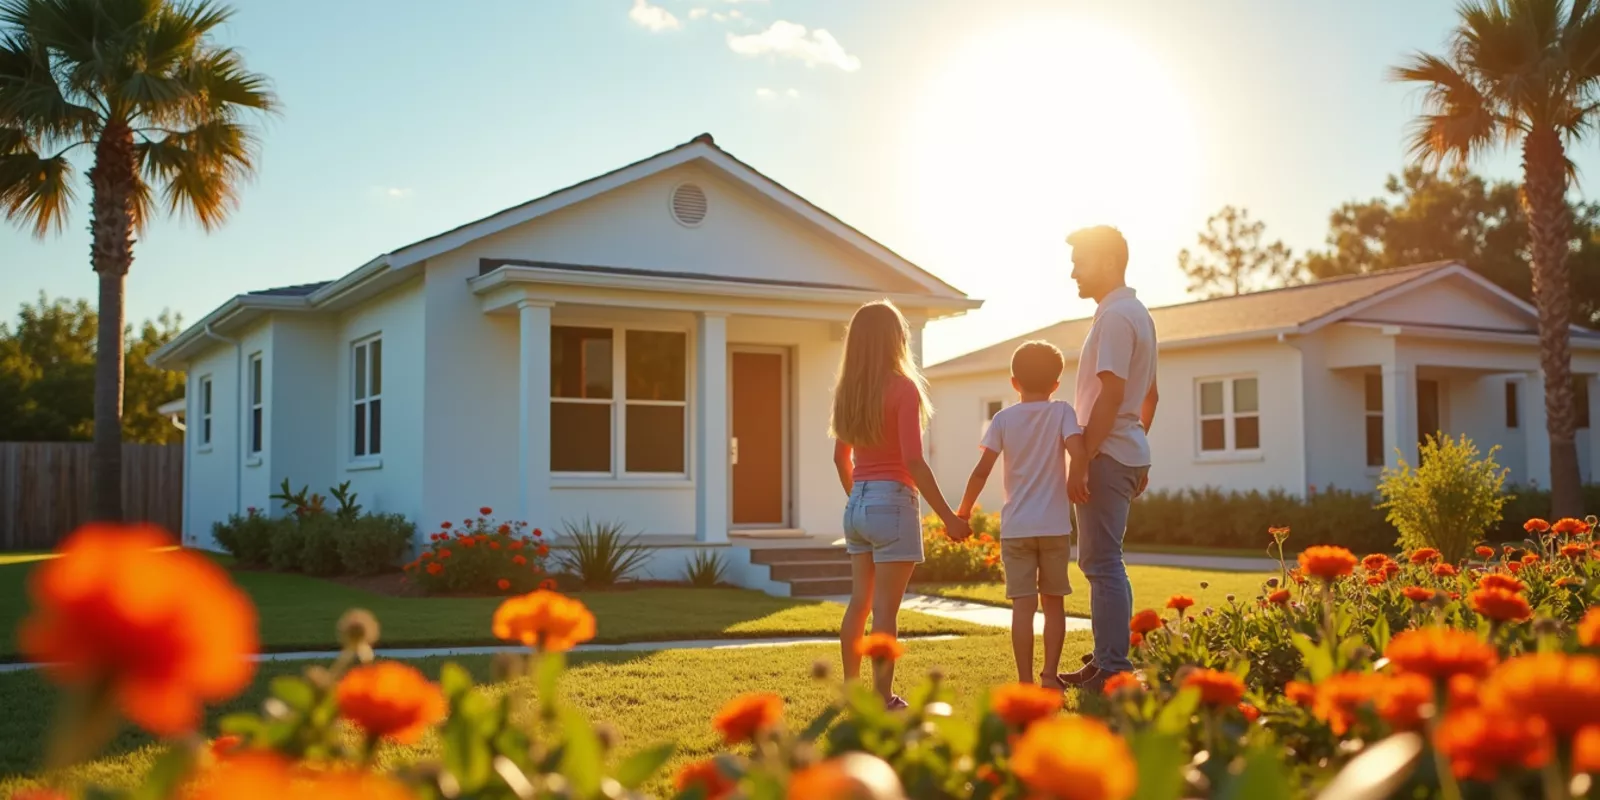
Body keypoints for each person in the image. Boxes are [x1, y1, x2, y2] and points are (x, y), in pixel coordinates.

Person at [830, 300, 970, 709]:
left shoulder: (848, 392)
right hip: (892, 501)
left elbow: (840, 459)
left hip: (858, 501)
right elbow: (913, 461)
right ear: (896, 340)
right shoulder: (903, 388)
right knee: (886, 611)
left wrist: (861, 501)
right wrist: (949, 518)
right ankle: (882, 698)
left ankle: (851, 692)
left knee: (859, 603)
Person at [955, 340, 1089, 691]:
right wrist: (1076, 477)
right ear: (1056, 384)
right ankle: (1050, 677)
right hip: (1054, 527)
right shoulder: (1062, 412)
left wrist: (963, 511)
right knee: (1054, 604)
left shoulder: (1003, 419)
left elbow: (981, 471)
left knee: (1023, 608)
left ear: (1014, 382)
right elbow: (1079, 452)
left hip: (1016, 529)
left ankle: (1025, 682)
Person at [1059, 225, 1159, 691]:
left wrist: (1084, 458)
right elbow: (1150, 396)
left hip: (1106, 454)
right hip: (1123, 451)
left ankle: (1114, 666)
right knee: (1102, 562)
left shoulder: (1117, 317)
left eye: (1080, 262)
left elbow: (1112, 394)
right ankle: (1106, 660)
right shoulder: (1135, 313)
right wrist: (1135, 447)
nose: (1073, 272)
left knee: (1102, 564)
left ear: (1110, 262)